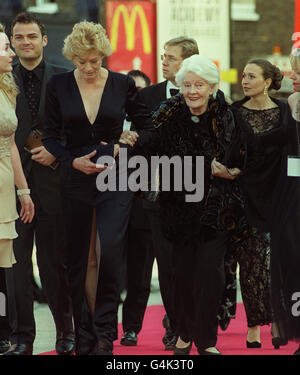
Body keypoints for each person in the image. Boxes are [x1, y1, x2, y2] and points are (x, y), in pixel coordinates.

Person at [42, 21, 154, 355]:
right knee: (82, 258)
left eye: (95, 60)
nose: (89, 67)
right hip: (76, 178)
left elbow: (146, 126)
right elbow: (49, 135)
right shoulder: (58, 85)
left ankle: (106, 331)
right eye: (82, 61)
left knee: (111, 252)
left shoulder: (122, 84)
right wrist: (69, 160)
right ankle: (86, 333)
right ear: (71, 57)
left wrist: (127, 142)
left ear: (104, 55)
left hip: (116, 176)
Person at [135, 53, 254, 355]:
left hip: (216, 209)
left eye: (198, 85)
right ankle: (184, 333)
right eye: (187, 85)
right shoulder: (169, 110)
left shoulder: (227, 114)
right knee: (181, 274)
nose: (191, 91)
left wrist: (230, 170)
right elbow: (150, 142)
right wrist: (130, 139)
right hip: (178, 207)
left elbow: (244, 154)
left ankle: (207, 340)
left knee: (210, 274)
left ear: (211, 86)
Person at [4, 12, 74, 356]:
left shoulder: (64, 79)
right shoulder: (2, 78)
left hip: (53, 183)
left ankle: (65, 334)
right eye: (19, 37)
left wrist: (55, 151)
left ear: (44, 40)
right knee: (15, 266)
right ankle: (22, 339)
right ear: (12, 42)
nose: (26, 42)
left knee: (55, 264)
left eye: (32, 36)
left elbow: (77, 131)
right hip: (12, 186)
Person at [125, 36, 199, 350]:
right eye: (163, 56)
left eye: (170, 57)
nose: (163, 61)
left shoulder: (211, 96)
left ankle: (189, 323)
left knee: (191, 266)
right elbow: (139, 139)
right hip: (156, 196)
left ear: (189, 62)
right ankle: (176, 325)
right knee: (166, 267)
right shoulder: (148, 96)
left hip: (195, 196)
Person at [232, 59, 285, 348]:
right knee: (250, 262)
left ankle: (277, 320)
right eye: (243, 76)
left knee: (275, 263)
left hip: (278, 195)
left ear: (267, 82)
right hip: (244, 195)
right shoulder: (234, 112)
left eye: (252, 76)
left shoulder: (285, 112)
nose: (245, 80)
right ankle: (253, 325)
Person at [0, 22, 34, 352]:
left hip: (6, 189)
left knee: (3, 266)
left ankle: (3, 333)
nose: (11, 52)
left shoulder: (6, 88)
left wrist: (23, 191)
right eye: (6, 48)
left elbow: (10, 145)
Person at [268, 49, 300, 354]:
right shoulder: (290, 102)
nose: (293, 77)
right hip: (291, 193)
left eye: (299, 73)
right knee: (292, 263)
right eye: (293, 71)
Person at [120, 69, 154, 347]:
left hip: (143, 205)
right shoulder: (108, 119)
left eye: (140, 90)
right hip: (110, 203)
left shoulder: (151, 123)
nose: (135, 95)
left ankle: (132, 327)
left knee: (140, 272)